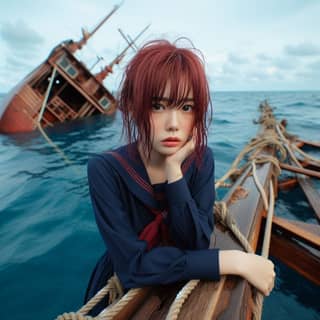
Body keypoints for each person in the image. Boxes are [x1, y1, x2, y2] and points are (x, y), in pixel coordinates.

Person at [84, 39, 275, 315]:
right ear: (133, 106)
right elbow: (132, 267)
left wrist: (174, 172)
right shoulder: (105, 170)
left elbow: (195, 242)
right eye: (157, 106)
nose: (173, 123)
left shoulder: (200, 160)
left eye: (186, 107)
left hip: (174, 276)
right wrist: (232, 261)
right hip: (121, 289)